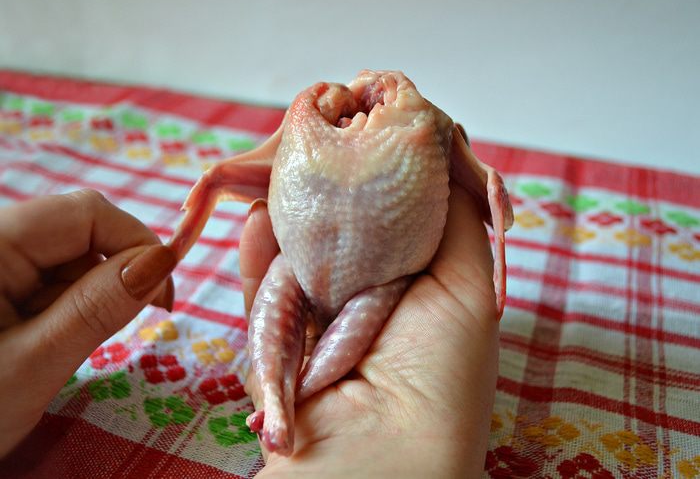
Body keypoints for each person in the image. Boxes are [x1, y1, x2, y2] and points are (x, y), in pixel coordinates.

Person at [0, 185, 499, 477]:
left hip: (388, 274)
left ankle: (286, 402)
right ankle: (281, 407)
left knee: (294, 310)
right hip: (301, 256)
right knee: (276, 301)